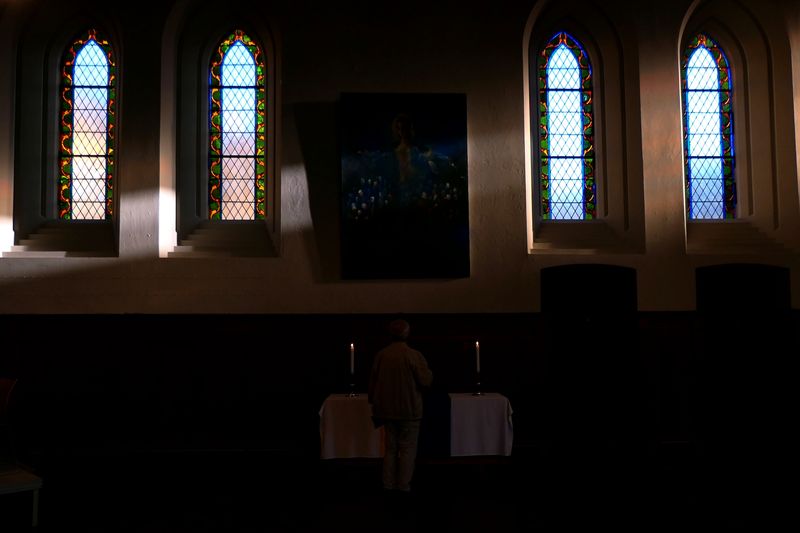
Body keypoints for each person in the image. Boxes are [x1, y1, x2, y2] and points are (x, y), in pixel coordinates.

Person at [368, 319, 433, 493]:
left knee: (390, 449)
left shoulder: (381, 355)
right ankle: (403, 485)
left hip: (387, 411)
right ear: (407, 333)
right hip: (409, 410)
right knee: (407, 450)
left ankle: (388, 484)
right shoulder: (413, 355)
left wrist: (373, 402)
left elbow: (373, 382)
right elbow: (426, 381)